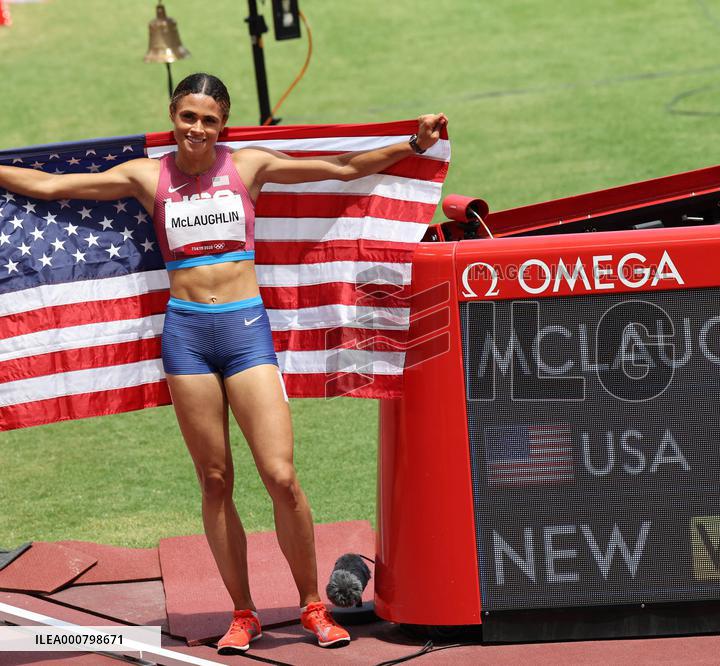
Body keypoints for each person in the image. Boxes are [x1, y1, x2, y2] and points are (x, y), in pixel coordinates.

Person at [0, 72, 447, 655]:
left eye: (209, 120)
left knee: (281, 476)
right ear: (173, 116)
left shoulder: (250, 166)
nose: (198, 129)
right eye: (189, 117)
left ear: (222, 126)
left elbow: (341, 169)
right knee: (215, 480)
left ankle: (312, 605)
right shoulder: (144, 175)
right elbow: (57, 189)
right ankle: (244, 612)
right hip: (186, 335)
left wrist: (413, 146)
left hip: (245, 332)